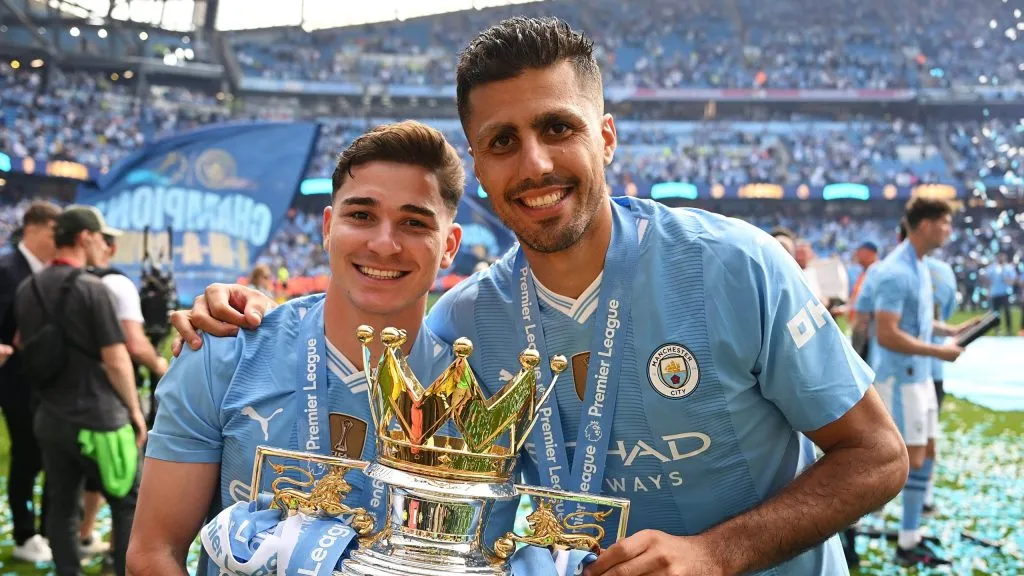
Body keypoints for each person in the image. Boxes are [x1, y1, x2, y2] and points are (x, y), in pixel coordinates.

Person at [175, 17, 909, 576]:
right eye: (502, 142)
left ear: (607, 136)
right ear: (481, 169)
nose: (535, 163)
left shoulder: (731, 266)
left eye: (558, 128)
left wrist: (714, 553)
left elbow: (877, 455)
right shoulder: (462, 324)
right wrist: (242, 318)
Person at [126, 122, 477, 576]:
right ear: (328, 227)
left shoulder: (471, 390)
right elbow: (154, 552)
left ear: (448, 247)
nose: (383, 244)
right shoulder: (224, 353)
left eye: (414, 223)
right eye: (362, 216)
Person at [13, 206, 145, 576]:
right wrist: (135, 411)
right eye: (100, 236)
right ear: (85, 237)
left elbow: (25, 343)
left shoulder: (28, 287)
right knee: (126, 501)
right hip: (101, 419)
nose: (104, 243)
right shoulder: (92, 289)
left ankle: (67, 570)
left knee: (60, 503)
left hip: (50, 416)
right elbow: (116, 360)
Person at [867, 198, 976, 567]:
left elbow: (915, 322)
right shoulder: (897, 270)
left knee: (928, 452)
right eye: (944, 222)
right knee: (906, 459)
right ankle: (858, 521)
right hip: (902, 377)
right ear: (924, 224)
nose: (948, 230)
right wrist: (937, 351)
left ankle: (909, 538)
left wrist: (950, 330)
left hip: (921, 374)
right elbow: (887, 334)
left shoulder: (920, 265)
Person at [75, 232, 171, 555]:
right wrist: (160, 367)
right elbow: (132, 345)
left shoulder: (63, 281)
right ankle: (117, 555)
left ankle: (84, 535)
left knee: (83, 477)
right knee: (127, 486)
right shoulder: (118, 285)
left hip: (65, 401)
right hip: (109, 401)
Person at [0, 200, 60, 564]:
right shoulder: (7, 268)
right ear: (35, 228)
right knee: (26, 455)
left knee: (50, 455)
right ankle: (24, 532)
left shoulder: (51, 270)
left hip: (50, 381)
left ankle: (46, 529)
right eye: (56, 230)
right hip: (15, 381)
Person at [923, 251, 957, 517]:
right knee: (928, 439)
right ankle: (926, 497)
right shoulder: (944, 270)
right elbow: (946, 312)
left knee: (887, 442)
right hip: (933, 367)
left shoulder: (889, 270)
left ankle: (877, 504)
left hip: (899, 370)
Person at [984, 252, 1018, 335]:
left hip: (1005, 293)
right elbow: (987, 280)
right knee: (995, 313)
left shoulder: (1009, 268)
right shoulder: (992, 268)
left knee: (1007, 311)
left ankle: (1009, 329)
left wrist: (1006, 279)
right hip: (994, 293)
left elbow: (1013, 280)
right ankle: (997, 329)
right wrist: (988, 291)